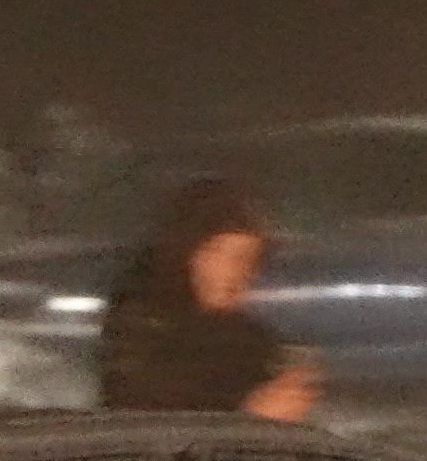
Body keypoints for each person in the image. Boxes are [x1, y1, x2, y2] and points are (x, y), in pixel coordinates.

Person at [97, 176, 319, 418]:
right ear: (187, 254)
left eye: (249, 259)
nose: (240, 272)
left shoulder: (252, 345)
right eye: (226, 254)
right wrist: (254, 421)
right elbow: (144, 426)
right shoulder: (138, 337)